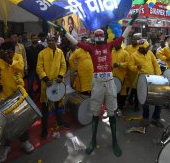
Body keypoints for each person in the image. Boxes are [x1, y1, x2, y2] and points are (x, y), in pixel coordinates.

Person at [54, 12, 138, 157]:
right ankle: (92, 140)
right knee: (94, 112)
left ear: (104, 37)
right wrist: (65, 32)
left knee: (111, 112)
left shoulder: (110, 46)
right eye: (97, 35)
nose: (99, 37)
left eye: (101, 35)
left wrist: (131, 21)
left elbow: (123, 36)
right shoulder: (90, 48)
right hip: (97, 83)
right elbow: (75, 42)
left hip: (110, 82)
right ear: (94, 37)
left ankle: (114, 140)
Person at [0, 41, 34, 159]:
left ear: (14, 51)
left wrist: (7, 59)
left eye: (9, 51)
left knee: (22, 120)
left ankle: (25, 142)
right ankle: (6, 146)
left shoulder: (18, 57)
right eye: (4, 51)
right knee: (4, 124)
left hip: (18, 95)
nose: (7, 53)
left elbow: (19, 68)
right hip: (2, 97)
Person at [36, 35, 68, 138]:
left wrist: (60, 76)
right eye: (48, 41)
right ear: (46, 42)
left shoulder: (60, 52)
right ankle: (44, 129)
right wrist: (45, 79)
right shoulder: (42, 53)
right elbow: (39, 68)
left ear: (55, 41)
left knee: (59, 105)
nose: (50, 42)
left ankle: (60, 122)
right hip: (47, 84)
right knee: (45, 108)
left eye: (52, 40)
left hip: (58, 84)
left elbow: (63, 65)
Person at [129, 39, 163, 126]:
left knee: (159, 99)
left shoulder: (150, 53)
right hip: (142, 80)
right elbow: (130, 66)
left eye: (148, 47)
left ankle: (156, 118)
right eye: (147, 47)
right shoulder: (134, 55)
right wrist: (136, 67)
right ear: (141, 48)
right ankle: (145, 117)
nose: (148, 48)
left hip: (154, 78)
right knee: (145, 101)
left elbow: (155, 64)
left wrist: (159, 75)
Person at [111, 41, 129, 116]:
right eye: (114, 43)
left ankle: (120, 108)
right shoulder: (112, 52)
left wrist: (119, 64)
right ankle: (114, 108)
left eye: (117, 43)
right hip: (113, 75)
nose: (115, 45)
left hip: (122, 76)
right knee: (114, 92)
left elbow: (128, 63)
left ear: (120, 43)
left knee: (122, 93)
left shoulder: (125, 53)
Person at [125, 32, 142, 111]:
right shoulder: (127, 48)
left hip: (138, 72)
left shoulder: (141, 48)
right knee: (127, 88)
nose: (135, 41)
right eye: (134, 39)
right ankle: (127, 100)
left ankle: (136, 105)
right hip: (128, 72)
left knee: (136, 89)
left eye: (138, 39)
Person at [25, 33, 45, 98]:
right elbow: (26, 59)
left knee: (40, 83)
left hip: (40, 68)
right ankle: (30, 96)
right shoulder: (28, 48)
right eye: (33, 38)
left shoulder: (41, 47)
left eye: (36, 38)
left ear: (38, 39)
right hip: (31, 68)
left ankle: (40, 95)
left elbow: (44, 58)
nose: (35, 39)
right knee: (30, 84)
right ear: (31, 39)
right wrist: (26, 67)